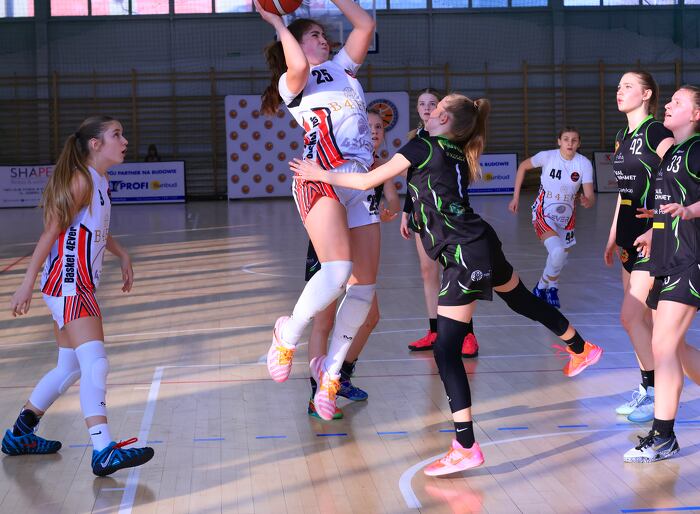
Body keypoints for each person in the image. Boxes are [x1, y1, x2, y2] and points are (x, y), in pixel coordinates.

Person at [291, 93, 603, 476]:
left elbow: (369, 180)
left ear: (443, 121)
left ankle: (465, 446)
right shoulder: (454, 149)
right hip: (480, 240)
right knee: (521, 299)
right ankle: (581, 347)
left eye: (436, 110)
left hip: (462, 254)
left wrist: (321, 174)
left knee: (446, 349)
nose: (429, 113)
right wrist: (405, 205)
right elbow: (414, 183)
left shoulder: (423, 145)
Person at [3, 116, 154, 477]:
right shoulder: (80, 180)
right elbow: (50, 232)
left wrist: (122, 253)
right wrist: (26, 282)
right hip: (71, 283)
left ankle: (20, 433)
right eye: (117, 134)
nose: (125, 141)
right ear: (95, 144)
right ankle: (103, 449)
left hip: (70, 284)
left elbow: (95, 227)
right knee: (95, 364)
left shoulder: (99, 180)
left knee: (69, 367)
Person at [257, 0, 379, 421]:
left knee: (364, 290)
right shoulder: (293, 82)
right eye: (315, 35)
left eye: (325, 36)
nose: (324, 40)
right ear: (295, 42)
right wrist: (278, 23)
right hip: (319, 174)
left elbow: (364, 24)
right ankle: (287, 333)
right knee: (337, 270)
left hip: (358, 181)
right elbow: (295, 62)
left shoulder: (343, 68)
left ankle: (331, 374)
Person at [305, 109, 400, 419]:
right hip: (330, 248)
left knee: (370, 316)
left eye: (379, 127)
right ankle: (317, 394)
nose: (373, 130)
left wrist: (390, 209)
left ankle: (340, 375)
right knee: (324, 321)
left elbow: (393, 199)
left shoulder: (381, 166)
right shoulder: (338, 161)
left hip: (360, 246)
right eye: (367, 125)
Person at [623, 85, 700, 463]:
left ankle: (663, 437)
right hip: (666, 258)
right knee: (675, 348)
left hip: (691, 259)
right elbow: (671, 204)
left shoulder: (697, 149)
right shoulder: (674, 153)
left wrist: (690, 212)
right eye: (670, 101)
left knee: (664, 346)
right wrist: (654, 231)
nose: (668, 105)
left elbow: (688, 206)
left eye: (678, 102)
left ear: (696, 115)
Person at [604, 71, 674, 423]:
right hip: (628, 236)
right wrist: (612, 234)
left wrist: (658, 225)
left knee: (629, 316)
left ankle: (659, 392)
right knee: (638, 322)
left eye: (628, 86)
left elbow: (676, 180)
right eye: (619, 86)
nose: (620, 91)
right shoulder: (622, 136)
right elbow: (624, 192)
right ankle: (647, 389)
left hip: (653, 235)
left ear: (646, 94)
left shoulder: (657, 132)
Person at [402, 88, 479, 357]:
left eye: (432, 103)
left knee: (454, 272)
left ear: (441, 111)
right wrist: (406, 212)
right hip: (422, 215)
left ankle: (467, 334)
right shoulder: (416, 139)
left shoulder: (450, 138)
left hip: (449, 217)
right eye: (422, 103)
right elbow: (413, 179)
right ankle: (434, 331)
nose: (426, 108)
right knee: (428, 272)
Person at [509, 127, 595, 308]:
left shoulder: (584, 163)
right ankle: (546, 288)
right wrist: (515, 197)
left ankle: (548, 287)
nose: (570, 143)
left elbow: (590, 195)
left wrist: (587, 201)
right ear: (559, 141)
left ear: (579, 143)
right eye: (566, 139)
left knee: (560, 256)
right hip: (544, 213)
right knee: (556, 252)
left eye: (574, 140)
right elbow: (523, 166)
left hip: (567, 217)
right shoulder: (547, 156)